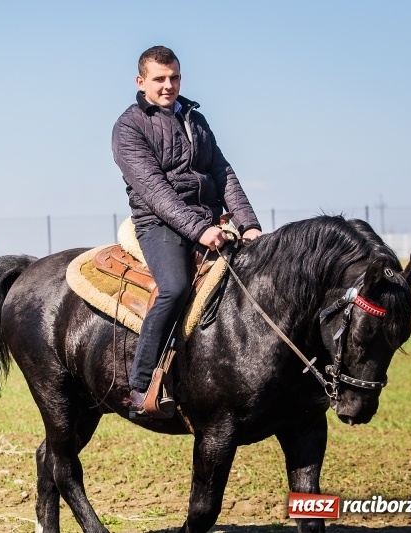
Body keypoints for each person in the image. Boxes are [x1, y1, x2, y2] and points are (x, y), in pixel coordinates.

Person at [112, 45, 262, 418]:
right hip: (158, 224)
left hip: (209, 221)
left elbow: (223, 173)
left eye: (174, 78)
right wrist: (200, 229)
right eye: (159, 79)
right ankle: (141, 385)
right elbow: (154, 189)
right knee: (175, 288)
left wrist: (249, 223)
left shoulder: (196, 120)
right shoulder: (128, 126)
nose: (168, 85)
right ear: (141, 81)